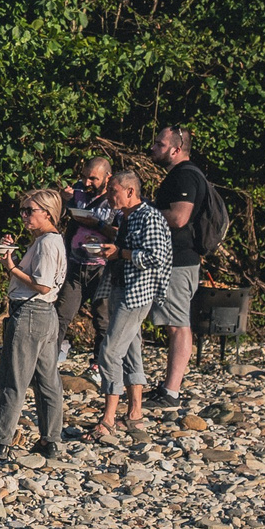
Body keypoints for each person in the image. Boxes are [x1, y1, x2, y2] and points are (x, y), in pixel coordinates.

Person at [0, 187, 69, 458]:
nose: (24, 216)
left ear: (48, 213)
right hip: (45, 314)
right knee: (47, 380)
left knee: (12, 378)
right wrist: (11, 256)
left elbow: (41, 285)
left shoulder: (47, 244)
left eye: (30, 211)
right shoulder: (47, 240)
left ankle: (1, 439)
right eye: (23, 210)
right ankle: (50, 440)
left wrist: (11, 268)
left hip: (30, 312)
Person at [93, 165, 173, 437]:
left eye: (112, 191)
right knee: (130, 350)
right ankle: (135, 414)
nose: (108, 197)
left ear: (130, 191)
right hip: (120, 286)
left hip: (136, 292)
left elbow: (156, 257)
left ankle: (109, 418)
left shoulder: (149, 217)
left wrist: (122, 253)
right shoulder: (127, 216)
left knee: (109, 352)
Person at [149, 126, 210, 405]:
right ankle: (168, 387)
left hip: (178, 261)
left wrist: (143, 213)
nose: (153, 148)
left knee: (177, 325)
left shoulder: (185, 175)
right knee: (175, 323)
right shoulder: (181, 175)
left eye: (159, 144)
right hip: (175, 261)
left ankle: (171, 391)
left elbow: (179, 218)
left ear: (175, 150)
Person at [53, 153, 117, 366]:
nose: (87, 183)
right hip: (75, 264)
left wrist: (97, 225)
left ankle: (99, 364)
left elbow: (121, 234)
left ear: (107, 177)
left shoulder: (115, 200)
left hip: (102, 268)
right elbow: (54, 218)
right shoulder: (78, 191)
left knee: (103, 319)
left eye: (93, 179)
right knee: (62, 314)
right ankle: (48, 360)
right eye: (84, 177)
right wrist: (64, 200)